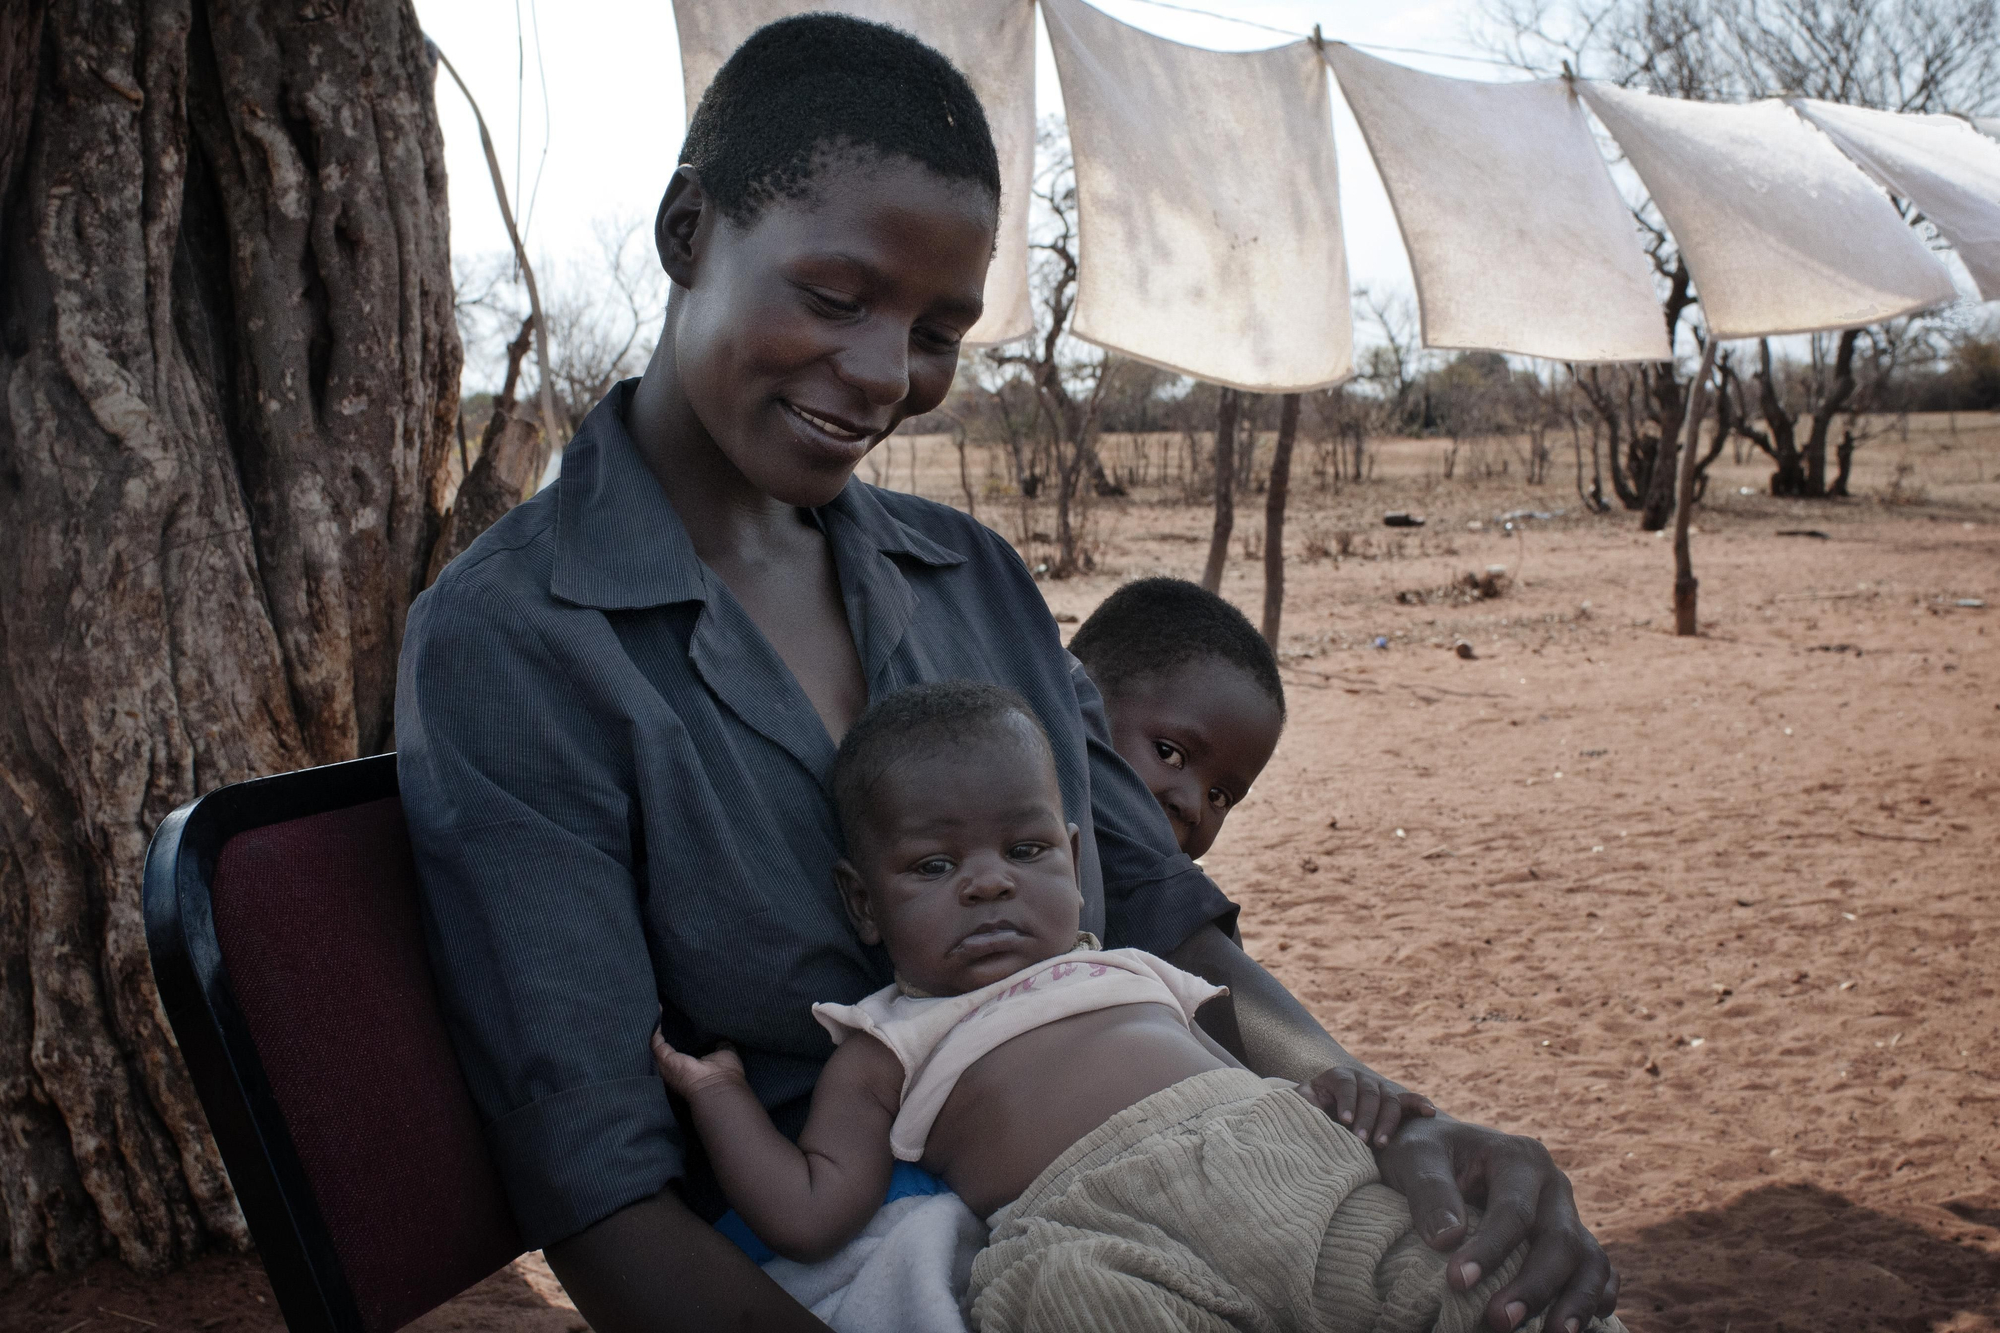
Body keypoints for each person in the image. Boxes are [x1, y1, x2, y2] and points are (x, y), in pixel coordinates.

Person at [396, 14, 1619, 1333]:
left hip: (1196, 1165)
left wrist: (1396, 1128)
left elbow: (1149, 901)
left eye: (937, 330)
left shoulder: (964, 576)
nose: (883, 376)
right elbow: (605, 1195)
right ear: (688, 228)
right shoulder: (523, 640)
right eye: (835, 294)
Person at [653, 681, 1612, 1333]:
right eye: (936, 866)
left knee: (1451, 1281)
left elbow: (1242, 1074)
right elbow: (812, 1211)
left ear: (1074, 860)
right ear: (863, 900)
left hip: (1270, 1161)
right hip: (1089, 1224)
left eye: (1024, 851)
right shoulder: (884, 1041)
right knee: (1061, 1300)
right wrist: (720, 1092)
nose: (988, 885)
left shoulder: (1128, 966)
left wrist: (1351, 1106)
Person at [1068, 577, 1287, 861]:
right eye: (1169, 754)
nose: (1192, 807)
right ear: (1079, 701)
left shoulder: (1174, 897)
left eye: (1219, 797)